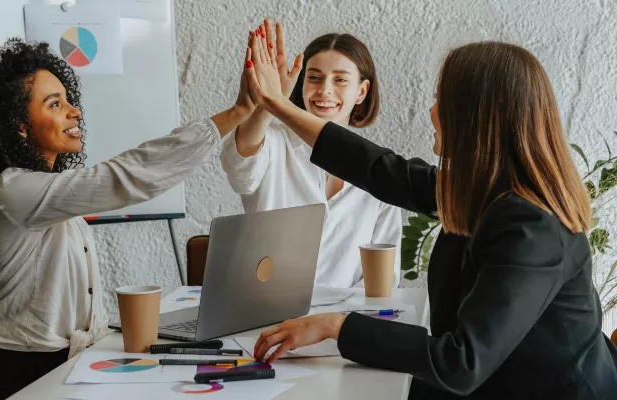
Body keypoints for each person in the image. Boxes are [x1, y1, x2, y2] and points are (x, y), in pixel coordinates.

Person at [244, 32, 617, 398]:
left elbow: (461, 362)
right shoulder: (482, 191)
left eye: (441, 99)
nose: (432, 111)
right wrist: (278, 105)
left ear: (475, 117)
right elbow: (377, 167)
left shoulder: (532, 227)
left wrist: (336, 326)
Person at [0, 38, 256, 399]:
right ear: (20, 126)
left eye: (68, 99)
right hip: (11, 377)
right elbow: (122, 177)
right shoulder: (12, 190)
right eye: (55, 104)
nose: (74, 111)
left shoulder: (50, 196)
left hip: (62, 365)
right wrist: (237, 112)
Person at [221, 20, 402, 289]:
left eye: (340, 79)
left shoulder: (379, 169)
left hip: (343, 321)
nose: (324, 90)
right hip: (267, 314)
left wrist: (343, 324)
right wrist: (271, 101)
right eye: (314, 77)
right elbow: (239, 167)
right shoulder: (273, 143)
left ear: (361, 91)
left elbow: (384, 277)